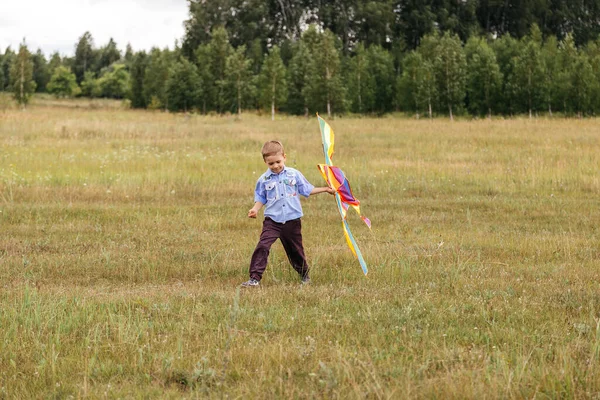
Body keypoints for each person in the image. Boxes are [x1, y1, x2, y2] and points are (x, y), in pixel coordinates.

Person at [241, 140, 335, 287]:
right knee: (263, 246)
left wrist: (325, 189)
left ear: (284, 157)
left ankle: (304, 275)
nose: (275, 166)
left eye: (278, 161)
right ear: (265, 162)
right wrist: (255, 209)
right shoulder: (263, 180)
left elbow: (307, 190)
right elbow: (261, 198)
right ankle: (254, 278)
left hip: (292, 220)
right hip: (272, 220)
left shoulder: (294, 174)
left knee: (295, 250)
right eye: (271, 164)